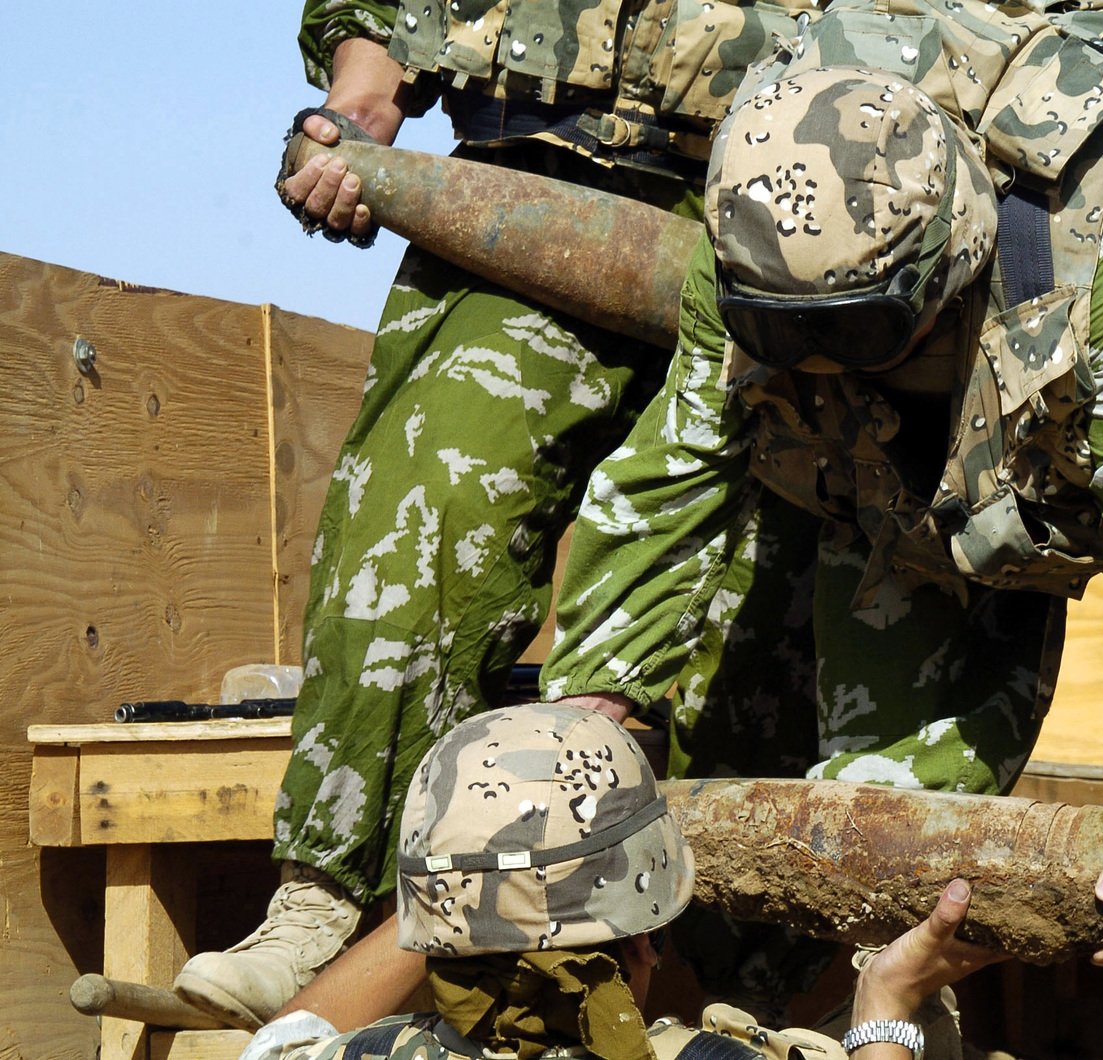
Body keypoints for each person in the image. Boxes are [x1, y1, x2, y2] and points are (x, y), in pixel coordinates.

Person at [533, 5, 1103, 1056]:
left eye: (853, 331)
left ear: (948, 255)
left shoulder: (1101, 221)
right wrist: (583, 726)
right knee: (885, 784)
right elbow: (670, 475)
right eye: (796, 338)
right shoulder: (750, 236)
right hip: (938, 451)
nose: (820, 359)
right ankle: (909, 1005)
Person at [174, 0, 829, 1028]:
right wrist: (359, 100)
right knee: (423, 500)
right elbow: (378, 23)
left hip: (796, 223)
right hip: (523, 201)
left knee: (769, 577)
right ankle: (329, 903)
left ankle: (770, 982)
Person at [238, 702, 999, 1060]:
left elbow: (280, 1043)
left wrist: (476, 874)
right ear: (648, 939)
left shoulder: (378, 1055)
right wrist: (888, 1010)